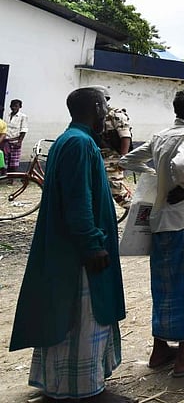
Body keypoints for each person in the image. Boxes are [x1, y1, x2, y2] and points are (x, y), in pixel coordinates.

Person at [10, 88, 128, 402]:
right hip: (78, 255)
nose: (107, 113)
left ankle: (68, 385)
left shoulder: (74, 140)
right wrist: (92, 245)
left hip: (74, 248)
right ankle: (84, 391)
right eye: (105, 106)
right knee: (82, 319)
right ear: (93, 107)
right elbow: (78, 203)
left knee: (74, 318)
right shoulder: (78, 143)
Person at [119, 88, 184, 377]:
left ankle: (160, 347)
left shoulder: (161, 135)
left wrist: (156, 181)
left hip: (160, 222)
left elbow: (129, 161)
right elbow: (182, 166)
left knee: (164, 284)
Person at [87, 86, 133, 207]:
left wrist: (124, 159)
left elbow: (125, 136)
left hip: (113, 157)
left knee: (116, 190)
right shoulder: (92, 116)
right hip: (97, 156)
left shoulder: (116, 114)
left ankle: (138, 212)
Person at [6, 99, 28, 174]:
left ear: (19, 107)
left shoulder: (23, 117)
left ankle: (11, 178)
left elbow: (24, 130)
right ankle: (6, 176)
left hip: (15, 142)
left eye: (16, 106)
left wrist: (19, 142)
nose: (14, 107)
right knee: (6, 160)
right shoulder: (8, 115)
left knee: (13, 162)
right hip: (6, 141)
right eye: (12, 106)